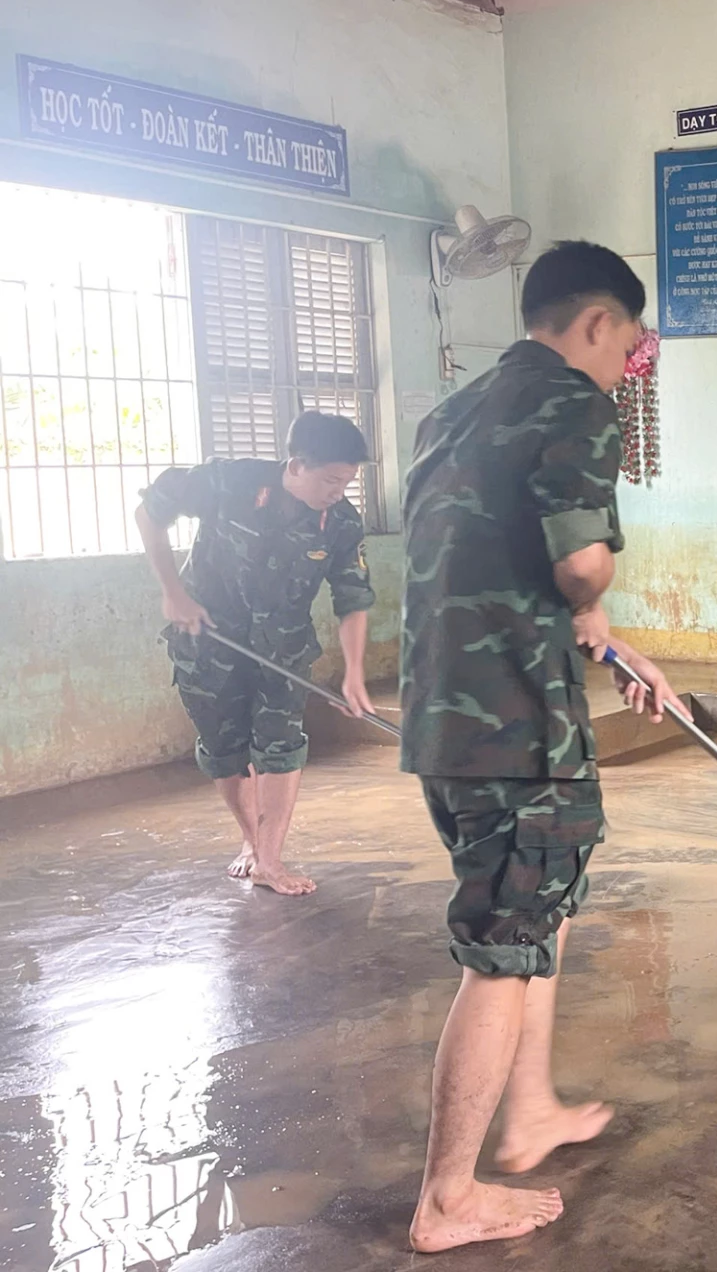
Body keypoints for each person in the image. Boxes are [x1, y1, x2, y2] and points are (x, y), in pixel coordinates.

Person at [400, 240, 681, 1253]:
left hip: (447, 712)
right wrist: (594, 595)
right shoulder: (573, 401)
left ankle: (530, 1114)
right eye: (629, 348)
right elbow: (579, 561)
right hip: (518, 723)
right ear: (599, 323)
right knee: (503, 949)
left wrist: (611, 638)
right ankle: (446, 1195)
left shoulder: (454, 412)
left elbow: (497, 569)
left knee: (533, 916)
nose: (625, 370)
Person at [133, 409, 376, 896]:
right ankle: (250, 841)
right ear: (296, 465)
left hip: (282, 649)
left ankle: (269, 858)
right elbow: (149, 512)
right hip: (208, 641)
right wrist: (172, 591)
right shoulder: (226, 481)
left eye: (347, 481)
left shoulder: (341, 523)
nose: (339, 491)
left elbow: (353, 599)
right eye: (331, 479)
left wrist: (354, 672)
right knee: (224, 751)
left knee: (281, 745)